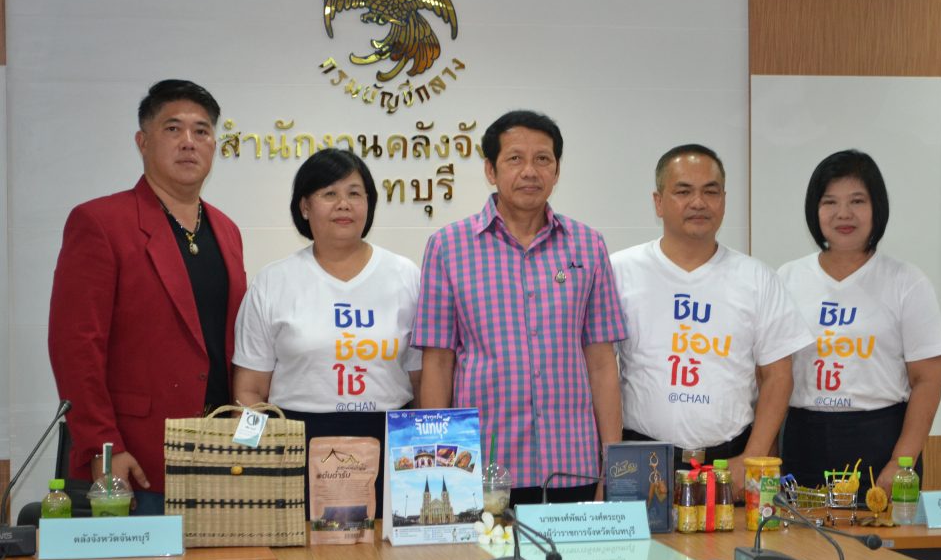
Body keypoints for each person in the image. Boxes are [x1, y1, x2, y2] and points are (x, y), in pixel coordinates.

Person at [49, 80, 246, 515]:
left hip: (219, 458)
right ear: (142, 142)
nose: (189, 142)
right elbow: (76, 347)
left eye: (201, 131)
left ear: (214, 145)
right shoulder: (100, 222)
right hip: (137, 461)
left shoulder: (227, 231)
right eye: (173, 129)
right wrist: (104, 447)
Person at [413, 110, 627, 506]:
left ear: (557, 170)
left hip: (572, 464)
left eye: (542, 159)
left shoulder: (588, 245)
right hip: (481, 468)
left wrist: (611, 465)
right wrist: (439, 468)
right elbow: (438, 364)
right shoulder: (448, 247)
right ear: (490, 170)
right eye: (515, 158)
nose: (530, 171)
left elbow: (601, 362)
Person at [612, 144, 813, 494]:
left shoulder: (757, 278)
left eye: (710, 191)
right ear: (658, 202)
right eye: (683, 191)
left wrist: (752, 459)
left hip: (730, 461)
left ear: (723, 200)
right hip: (640, 460)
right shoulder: (618, 271)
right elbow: (598, 370)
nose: (698, 202)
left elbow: (778, 376)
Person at [233, 149, 421, 517]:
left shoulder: (406, 276)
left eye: (355, 193)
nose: (343, 204)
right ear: (305, 206)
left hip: (391, 445)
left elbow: (421, 381)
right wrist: (253, 458)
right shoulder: (273, 281)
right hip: (295, 447)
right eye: (329, 193)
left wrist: (423, 458)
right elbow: (249, 391)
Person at [778, 149, 941, 496]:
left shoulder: (907, 281)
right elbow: (768, 375)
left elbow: (928, 378)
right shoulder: (787, 278)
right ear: (815, 209)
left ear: (876, 208)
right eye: (830, 202)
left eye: (857, 201)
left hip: (880, 441)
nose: (844, 214)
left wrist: (901, 462)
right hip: (803, 438)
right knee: (801, 532)